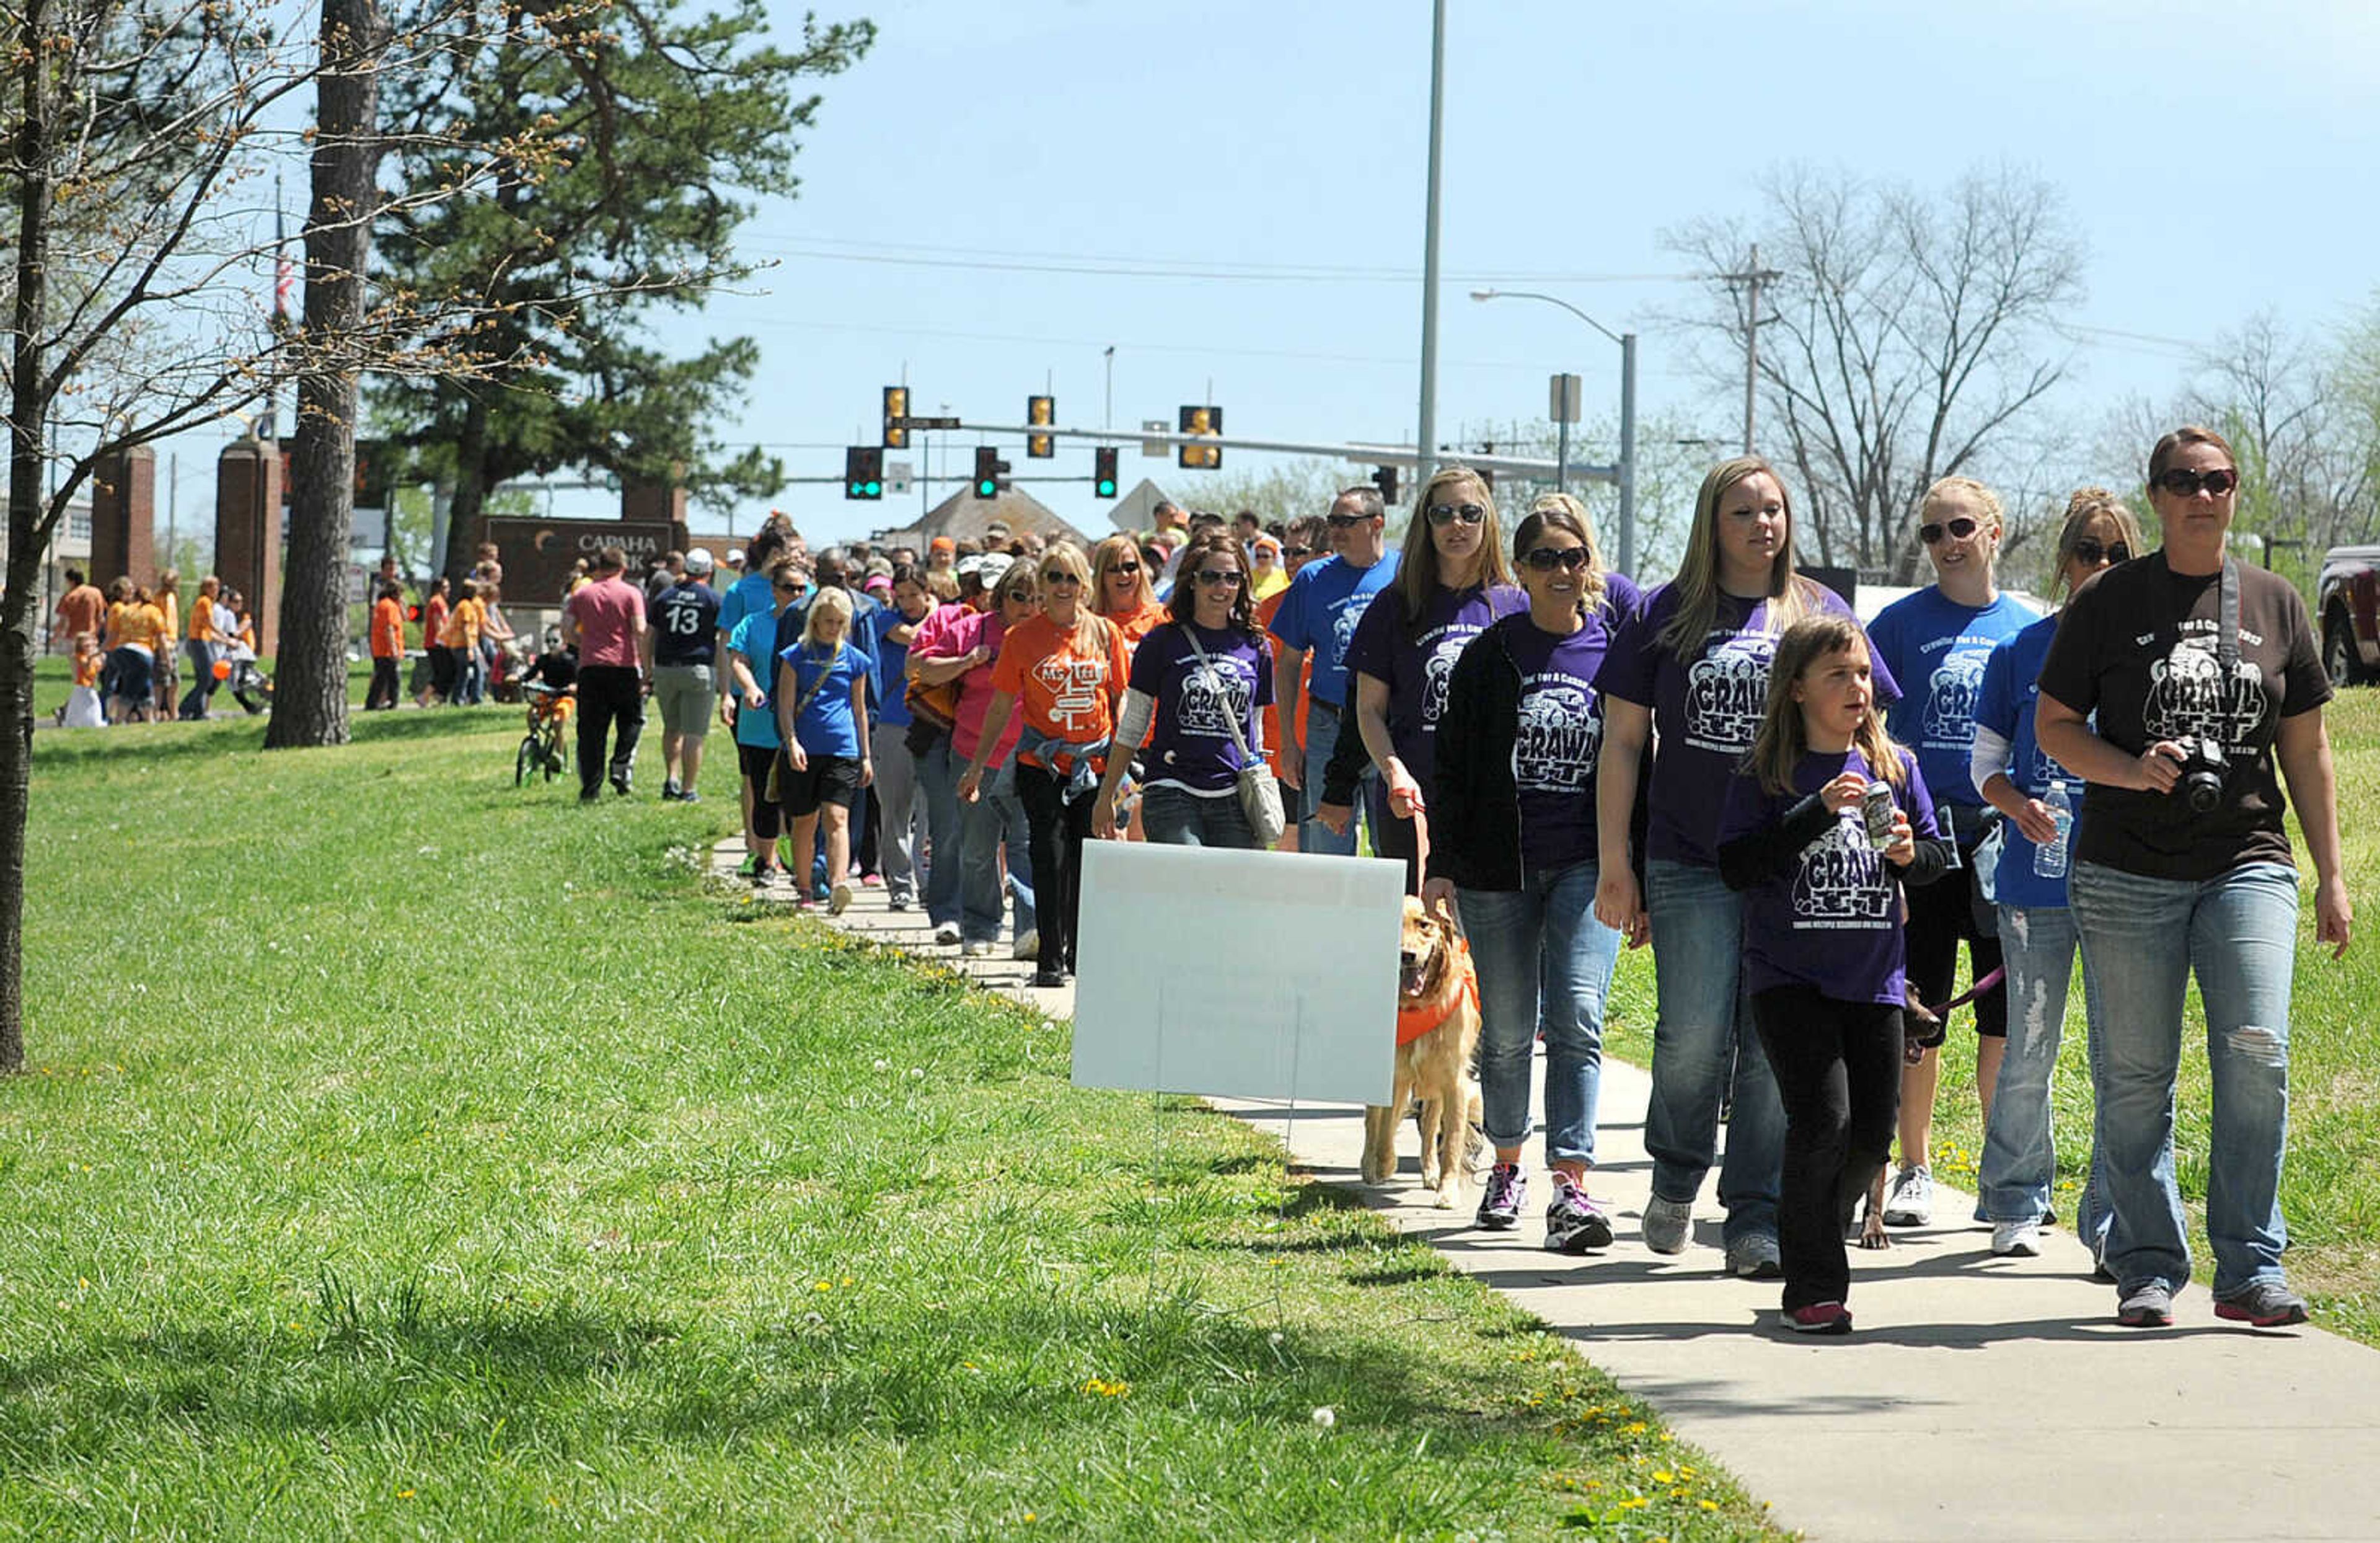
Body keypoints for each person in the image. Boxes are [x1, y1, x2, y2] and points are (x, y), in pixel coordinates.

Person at [2037, 424, 2351, 1330]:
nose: (2203, 495)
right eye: (2184, 481)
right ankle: (2145, 1262)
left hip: (2247, 859)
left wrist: (2331, 875)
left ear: (2235, 491)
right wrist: (2133, 766)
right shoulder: (2107, 600)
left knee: (2259, 1052)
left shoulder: (2277, 602)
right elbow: (2057, 726)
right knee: (2135, 1076)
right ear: (2158, 497)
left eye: (2218, 480)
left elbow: (2309, 747)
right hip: (2126, 868)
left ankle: (2251, 1266)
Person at [1592, 456, 1899, 1277]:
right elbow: (1623, 743)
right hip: (1689, 856)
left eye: (1774, 509)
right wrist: (1614, 860)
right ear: (1711, 524)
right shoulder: (1664, 614)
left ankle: (1756, 1213)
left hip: (1794, 866)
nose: (1764, 524)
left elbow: (1871, 728)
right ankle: (1676, 1175)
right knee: (1693, 1036)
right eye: (1744, 511)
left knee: (1773, 1047)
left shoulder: (1819, 610)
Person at [1716, 614, 1951, 1335]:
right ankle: (1814, 1284)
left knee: (1870, 1137)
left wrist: (1913, 857)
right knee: (1823, 1119)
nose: (1858, 687)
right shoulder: (1766, 775)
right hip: (1789, 977)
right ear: (1797, 691)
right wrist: (1815, 812)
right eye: (1838, 675)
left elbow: (1940, 864)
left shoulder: (1896, 767)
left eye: (1862, 675)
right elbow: (1737, 866)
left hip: (1874, 979)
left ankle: (1812, 1216)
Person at [1425, 495, 1642, 1247]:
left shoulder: (1615, 652)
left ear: (1591, 567)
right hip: (1497, 868)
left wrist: (1633, 870)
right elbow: (1449, 766)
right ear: (1518, 569)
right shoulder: (1491, 654)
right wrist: (1442, 863)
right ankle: (1508, 1165)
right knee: (1511, 1029)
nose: (1560, 570)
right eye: (1544, 558)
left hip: (1589, 864)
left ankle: (1572, 1186)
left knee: (1579, 1016)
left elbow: (1643, 762)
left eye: (1573, 556)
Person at [1970, 487, 2146, 1260]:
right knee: (2030, 1044)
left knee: (2122, 1059)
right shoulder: (2020, 651)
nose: (2101, 566)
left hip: (2126, 882)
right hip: (2033, 883)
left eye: (2117, 554)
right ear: (2063, 559)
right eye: (2088, 551)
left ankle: (2112, 1220)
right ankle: (2014, 1198)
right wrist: (2016, 807)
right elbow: (1984, 768)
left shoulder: (2148, 655)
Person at [1862, 477, 2034, 1229]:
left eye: (1960, 527)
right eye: (1932, 533)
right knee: (1920, 1013)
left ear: (1995, 532)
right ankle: (1914, 1169)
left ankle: (2006, 1181)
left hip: (2003, 844)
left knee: (2003, 1019)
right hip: (1923, 846)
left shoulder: (2028, 629)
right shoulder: (1897, 625)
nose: (1946, 544)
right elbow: (1863, 729)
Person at [1320, 465, 1524, 891]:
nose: (1457, 524)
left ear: (1488, 521)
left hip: (1493, 804)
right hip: (1410, 797)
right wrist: (1394, 771)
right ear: (1425, 524)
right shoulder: (1394, 606)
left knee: (1486, 945)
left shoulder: (1515, 605)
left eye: (1470, 513)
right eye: (1443, 513)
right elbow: (1369, 709)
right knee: (1413, 938)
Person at [963, 544, 1126, 988]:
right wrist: (977, 766)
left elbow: (1119, 696)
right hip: (1042, 763)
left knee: (1085, 857)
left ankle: (1081, 952)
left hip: (1093, 762)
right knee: (1048, 855)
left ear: (1085, 585)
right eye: (1053, 577)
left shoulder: (1105, 633)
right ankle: (1050, 959)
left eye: (1071, 577)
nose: (1063, 586)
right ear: (1041, 585)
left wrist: (1126, 760)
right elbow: (1000, 705)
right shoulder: (1022, 639)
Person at [1093, 530, 1273, 849]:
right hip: (1171, 788)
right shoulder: (1161, 642)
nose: (1222, 588)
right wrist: (1107, 794)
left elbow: (1254, 729)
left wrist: (1259, 785)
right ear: (1193, 581)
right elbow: (1134, 723)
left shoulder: (1257, 647)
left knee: (1226, 893)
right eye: (1211, 577)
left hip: (1233, 794)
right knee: (1189, 878)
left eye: (1232, 578)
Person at [911, 557, 1036, 957]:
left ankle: (1029, 931)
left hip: (1031, 754)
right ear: (1000, 598)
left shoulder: (1046, 635)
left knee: (1025, 845)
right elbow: (921, 667)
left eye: (1037, 599)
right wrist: (967, 661)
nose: (1028, 606)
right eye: (1019, 597)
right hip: (973, 753)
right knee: (978, 848)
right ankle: (981, 926)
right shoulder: (972, 629)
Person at [1269, 486, 1401, 856]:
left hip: (1388, 727)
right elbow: (1289, 664)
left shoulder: (1404, 573)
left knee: (1394, 845)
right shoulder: (1312, 579)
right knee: (1327, 846)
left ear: (1377, 524)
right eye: (1332, 521)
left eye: (1346, 521)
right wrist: (1290, 745)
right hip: (1329, 723)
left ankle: (1397, 916)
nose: (1336, 530)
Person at [776, 586, 872, 915]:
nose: (833, 628)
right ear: (815, 620)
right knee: (804, 821)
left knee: (837, 817)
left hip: (842, 749)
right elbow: (785, 705)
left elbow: (860, 710)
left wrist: (866, 755)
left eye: (839, 622)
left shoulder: (855, 660)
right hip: (804, 748)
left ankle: (837, 884)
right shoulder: (795, 656)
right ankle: (804, 887)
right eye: (828, 621)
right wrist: (791, 742)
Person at [865, 564, 940, 912]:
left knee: (929, 809)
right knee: (895, 809)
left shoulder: (943, 620)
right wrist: (937, 613)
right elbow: (914, 638)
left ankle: (927, 883)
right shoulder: (885, 620)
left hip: (932, 724)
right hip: (893, 724)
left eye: (915, 594)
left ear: (926, 592)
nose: (908, 602)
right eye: (902, 595)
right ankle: (899, 884)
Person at [727, 560, 804, 886]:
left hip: (801, 728)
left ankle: (798, 863)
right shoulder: (752, 623)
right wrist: (749, 687)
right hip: (758, 726)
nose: (798, 594)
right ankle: (767, 861)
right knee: (763, 796)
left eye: (803, 588)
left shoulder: (814, 627)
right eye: (790, 588)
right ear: (774, 591)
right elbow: (737, 659)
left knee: (798, 800)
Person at [562, 546, 649, 802]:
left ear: (598, 568)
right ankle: (621, 764)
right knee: (631, 721)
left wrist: (586, 643)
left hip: (591, 668)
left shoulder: (582, 594)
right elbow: (640, 630)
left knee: (591, 731)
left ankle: (591, 788)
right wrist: (645, 665)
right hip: (624, 666)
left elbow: (567, 630)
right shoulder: (631, 594)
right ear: (623, 568)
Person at [650, 547, 722, 802]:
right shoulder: (713, 599)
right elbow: (721, 636)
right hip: (698, 668)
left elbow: (651, 633)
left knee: (672, 728)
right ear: (709, 571)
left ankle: (671, 778)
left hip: (665, 667)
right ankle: (689, 789)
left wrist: (648, 669)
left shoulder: (666, 596)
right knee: (694, 732)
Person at [103, 578, 165, 724]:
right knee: (127, 688)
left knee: (142, 684)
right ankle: (118, 720)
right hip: (141, 653)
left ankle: (149, 720)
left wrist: (101, 649)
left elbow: (114, 633)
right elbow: (161, 639)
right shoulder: (153, 611)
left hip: (121, 651)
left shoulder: (127, 611)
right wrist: (165, 659)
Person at [177, 575, 224, 720]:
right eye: (213, 587)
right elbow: (210, 624)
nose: (216, 590)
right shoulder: (205, 602)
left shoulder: (203, 602)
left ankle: (198, 713)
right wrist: (226, 636)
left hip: (199, 641)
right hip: (199, 641)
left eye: (217, 587)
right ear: (206, 589)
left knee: (202, 678)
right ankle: (185, 708)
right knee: (208, 678)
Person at [439, 578, 484, 706]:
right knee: (478, 669)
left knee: (463, 673)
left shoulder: (463, 605)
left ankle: (458, 699)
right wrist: (470, 648)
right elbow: (465, 627)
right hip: (464, 645)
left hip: (461, 644)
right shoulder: (466, 606)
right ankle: (476, 698)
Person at [364, 581, 406, 712]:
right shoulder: (390, 607)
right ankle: (393, 703)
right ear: (396, 594)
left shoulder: (381, 605)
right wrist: (393, 648)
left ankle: (372, 703)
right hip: (388, 650)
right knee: (394, 679)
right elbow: (389, 628)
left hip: (379, 649)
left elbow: (405, 617)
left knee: (380, 679)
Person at [150, 567, 181, 722]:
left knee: (174, 681)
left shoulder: (171, 597)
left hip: (172, 642)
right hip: (163, 644)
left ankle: (174, 714)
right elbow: (163, 624)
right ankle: (155, 714)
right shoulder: (160, 598)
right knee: (161, 682)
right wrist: (165, 645)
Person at [416, 578, 452, 706]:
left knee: (445, 671)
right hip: (436, 643)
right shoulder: (437, 602)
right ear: (439, 589)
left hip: (437, 642)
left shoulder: (440, 602)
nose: (449, 590)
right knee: (444, 671)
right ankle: (424, 697)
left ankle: (440, 696)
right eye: (446, 587)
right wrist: (444, 640)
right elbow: (438, 623)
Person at [53, 567, 105, 655]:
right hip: (90, 636)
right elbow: (101, 619)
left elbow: (63, 622)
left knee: (76, 666)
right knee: (91, 666)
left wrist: (55, 637)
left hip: (73, 637)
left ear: (71, 581)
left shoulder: (69, 596)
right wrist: (95, 634)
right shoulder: (96, 593)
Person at [61, 632, 105, 728]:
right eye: (87, 646)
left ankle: (88, 722)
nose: (90, 648)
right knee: (89, 704)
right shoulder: (80, 657)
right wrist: (91, 658)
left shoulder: (92, 657)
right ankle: (89, 722)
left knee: (86, 705)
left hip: (90, 686)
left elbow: (98, 669)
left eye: (91, 645)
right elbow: (86, 669)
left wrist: (99, 657)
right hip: (82, 686)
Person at [1248, 533, 1290, 603]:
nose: (1261, 559)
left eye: (1266, 556)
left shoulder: (1284, 575)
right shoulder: (1250, 576)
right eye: (1258, 556)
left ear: (1274, 558)